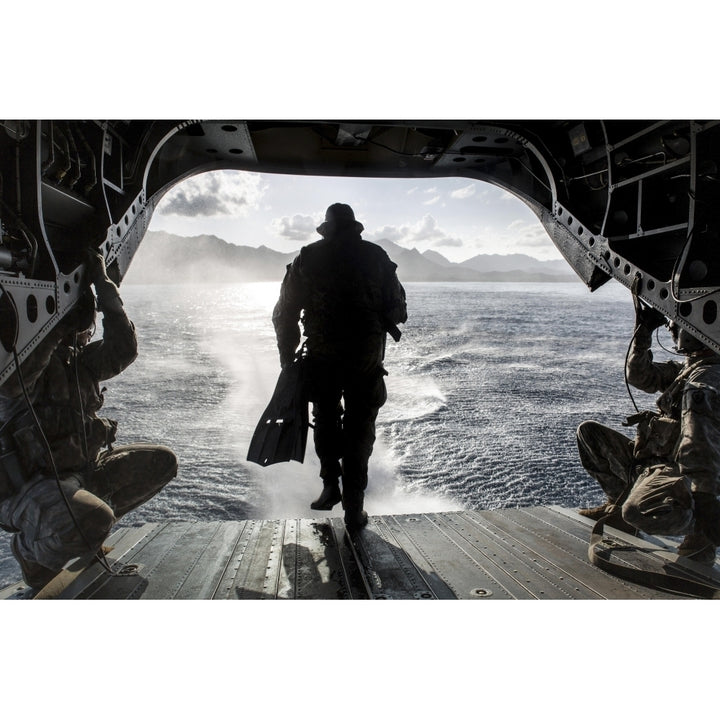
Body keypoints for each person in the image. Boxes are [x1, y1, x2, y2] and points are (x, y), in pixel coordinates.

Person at [0, 249, 177, 592]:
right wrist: (55, 326)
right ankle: (32, 552)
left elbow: (123, 350)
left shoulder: (79, 362)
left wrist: (105, 288)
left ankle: (87, 522)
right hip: (28, 488)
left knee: (161, 462)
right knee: (90, 521)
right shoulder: (15, 365)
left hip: (80, 472)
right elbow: (16, 381)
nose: (83, 333)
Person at [272, 203, 407, 531]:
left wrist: (286, 359)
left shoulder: (307, 258)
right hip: (365, 358)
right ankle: (353, 508)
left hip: (323, 356)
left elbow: (285, 313)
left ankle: (330, 483)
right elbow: (399, 310)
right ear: (355, 228)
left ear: (327, 229)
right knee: (360, 426)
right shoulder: (377, 258)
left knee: (326, 417)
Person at [576, 290, 720, 565]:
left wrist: (704, 496)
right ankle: (615, 504)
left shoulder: (706, 379)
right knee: (589, 433)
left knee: (638, 512)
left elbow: (697, 439)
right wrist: (642, 333)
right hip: (652, 458)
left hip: (677, 469)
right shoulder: (688, 368)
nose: (670, 327)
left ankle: (702, 531)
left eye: (676, 323)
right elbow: (639, 376)